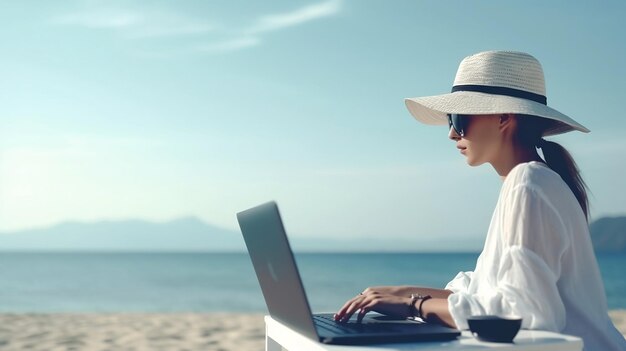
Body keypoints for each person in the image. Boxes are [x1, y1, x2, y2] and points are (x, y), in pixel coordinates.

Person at [333, 51, 626, 350]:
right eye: (451, 119)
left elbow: (523, 315)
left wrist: (413, 306)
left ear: (503, 118)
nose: (451, 133)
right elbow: (484, 295)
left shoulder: (529, 184)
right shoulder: (531, 182)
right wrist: (399, 292)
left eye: (459, 119)